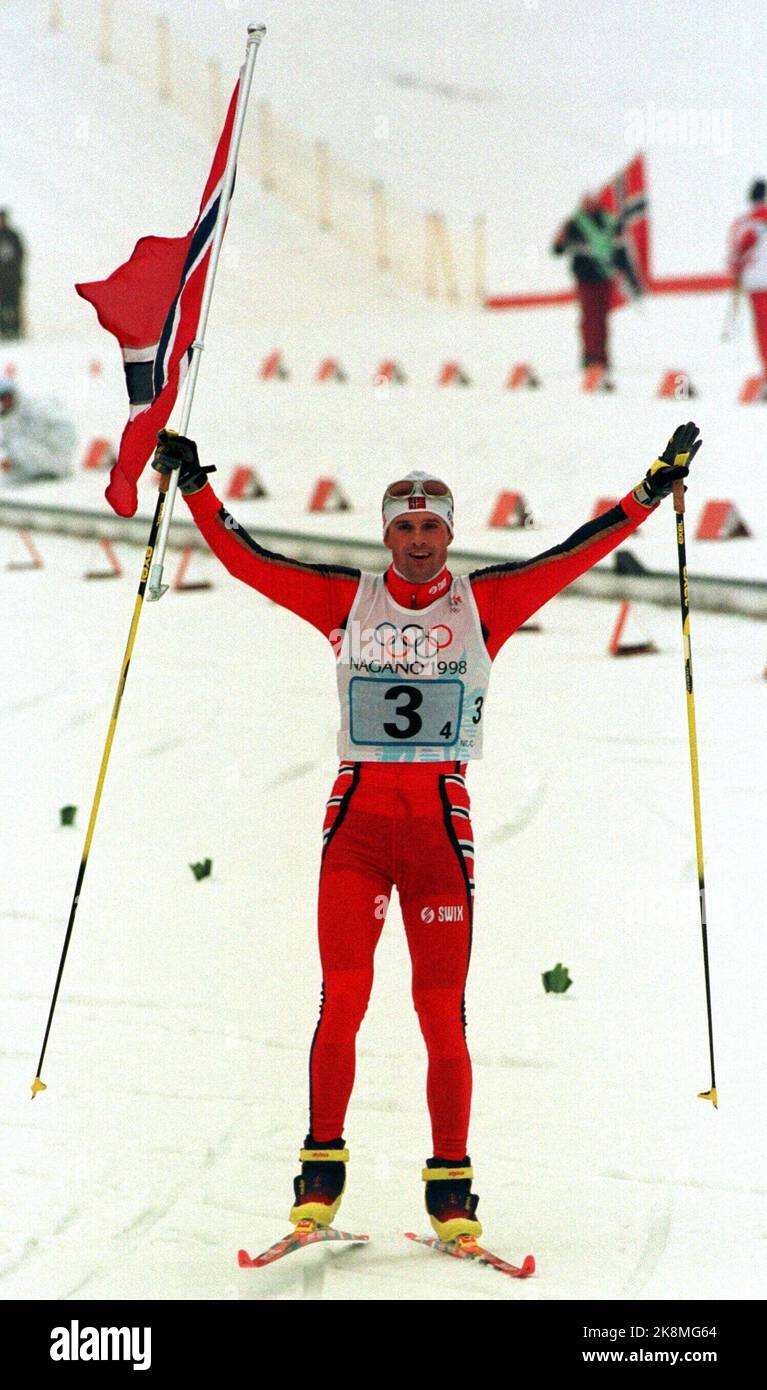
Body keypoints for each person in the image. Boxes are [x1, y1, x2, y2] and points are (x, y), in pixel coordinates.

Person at [153, 421, 702, 1243]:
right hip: (359, 834)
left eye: (431, 527)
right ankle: (318, 1177)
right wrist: (195, 486)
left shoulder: (483, 603)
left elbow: (572, 554)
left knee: (440, 1013)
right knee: (342, 999)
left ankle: (451, 1190)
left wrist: (648, 493)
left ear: (450, 533)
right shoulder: (347, 598)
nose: (417, 542)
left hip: (440, 841)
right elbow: (251, 562)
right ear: (386, 535)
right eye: (403, 527)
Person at [552, 193, 643, 386]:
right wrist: (560, 241)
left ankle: (602, 358)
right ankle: (591, 357)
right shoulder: (574, 224)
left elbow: (620, 251)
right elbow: (557, 250)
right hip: (585, 277)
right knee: (589, 318)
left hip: (604, 277)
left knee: (602, 319)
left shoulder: (609, 222)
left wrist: (629, 275)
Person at [0, 377, 76, 483]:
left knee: (19, 444)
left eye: (6, 396)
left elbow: (37, 437)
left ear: (14, 394)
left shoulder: (34, 408)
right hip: (33, 460)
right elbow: (6, 444)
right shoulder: (8, 416)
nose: (4, 401)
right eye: (2, 398)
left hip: (54, 457)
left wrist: (13, 460)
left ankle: (49, 472)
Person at [727, 179, 767, 378]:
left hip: (757, 281)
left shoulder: (744, 222)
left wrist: (735, 270)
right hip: (759, 280)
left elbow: (736, 252)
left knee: (763, 327)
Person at [0, 210, 25, 340]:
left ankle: (16, 330)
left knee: (14, 305)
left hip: (12, 279)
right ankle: (3, 330)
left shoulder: (13, 236)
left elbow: (20, 256)